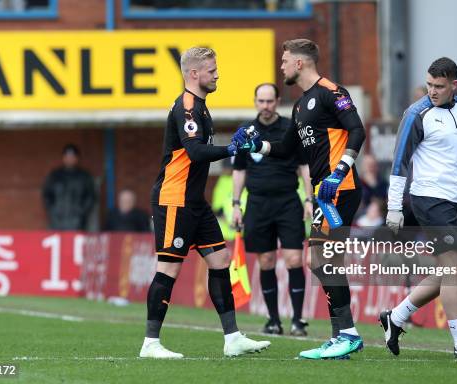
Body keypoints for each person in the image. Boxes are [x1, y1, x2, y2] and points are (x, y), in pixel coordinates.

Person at [237, 38, 367, 360]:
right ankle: (341, 337)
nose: (281, 67)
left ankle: (347, 334)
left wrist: (339, 172)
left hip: (340, 186)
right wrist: (257, 147)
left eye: (284, 61)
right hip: (325, 189)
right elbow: (284, 149)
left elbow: (358, 130)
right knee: (322, 261)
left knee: (323, 259)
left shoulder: (332, 92)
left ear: (299, 63)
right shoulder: (299, 105)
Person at [140, 47, 270, 359]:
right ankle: (150, 343)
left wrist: (231, 147)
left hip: (194, 202)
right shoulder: (187, 107)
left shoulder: (202, 107)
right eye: (212, 70)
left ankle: (233, 338)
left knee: (220, 260)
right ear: (194, 74)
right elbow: (196, 152)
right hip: (175, 200)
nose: (217, 75)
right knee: (168, 268)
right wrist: (233, 149)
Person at [382, 57, 457, 359]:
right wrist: (394, 208)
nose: (432, 91)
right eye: (429, 84)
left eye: (439, 86)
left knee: (448, 271)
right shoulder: (417, 113)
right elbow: (399, 162)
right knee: (453, 268)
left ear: (454, 85)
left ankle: (396, 316)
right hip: (428, 200)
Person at [232, 83, 312, 336]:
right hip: (257, 203)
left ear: (278, 100)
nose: (265, 106)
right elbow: (239, 170)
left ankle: (298, 320)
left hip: (288, 201)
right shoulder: (246, 131)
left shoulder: (291, 127)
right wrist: (236, 204)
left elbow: (304, 166)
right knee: (266, 261)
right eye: (261, 101)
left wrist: (310, 200)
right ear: (255, 102)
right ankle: (273, 320)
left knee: (294, 259)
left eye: (270, 101)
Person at [42, 144, 95, 231]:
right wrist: (54, 211)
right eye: (67, 156)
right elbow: (46, 195)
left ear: (77, 158)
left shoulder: (84, 176)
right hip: (57, 222)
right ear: (63, 158)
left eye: (72, 156)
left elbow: (91, 197)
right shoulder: (55, 175)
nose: (70, 159)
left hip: (78, 223)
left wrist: (81, 213)